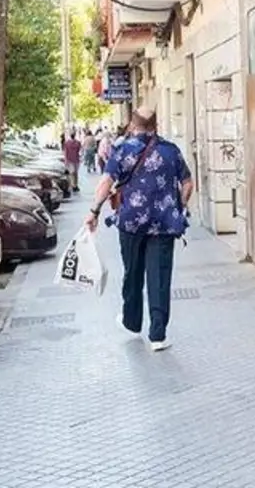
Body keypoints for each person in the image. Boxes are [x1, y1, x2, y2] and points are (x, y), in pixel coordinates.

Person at [85, 108, 193, 351]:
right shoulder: (170, 150)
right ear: (156, 124)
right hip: (164, 224)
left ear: (133, 124)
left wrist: (94, 211)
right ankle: (158, 335)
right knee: (160, 277)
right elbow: (187, 183)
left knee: (132, 272)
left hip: (131, 223)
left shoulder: (122, 150)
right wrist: (180, 206)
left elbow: (106, 183)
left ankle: (131, 321)